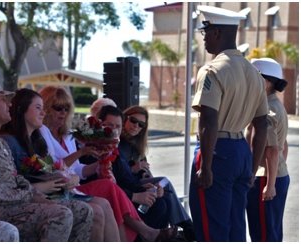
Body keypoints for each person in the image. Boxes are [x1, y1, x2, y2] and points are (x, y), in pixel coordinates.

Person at [39, 85, 182, 242]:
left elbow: (79, 169)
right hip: (62, 190)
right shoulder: (43, 133)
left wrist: (100, 162)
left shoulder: (67, 135)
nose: (63, 113)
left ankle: (160, 230)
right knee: (111, 191)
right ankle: (148, 232)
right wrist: (82, 153)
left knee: (155, 197)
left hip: (78, 186)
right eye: (58, 108)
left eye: (67, 108)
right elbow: (51, 168)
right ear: (45, 108)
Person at [0, 77, 79, 242]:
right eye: (3, 100)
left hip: (11, 205)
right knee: (60, 214)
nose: (9, 105)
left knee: (81, 210)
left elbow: (14, 177)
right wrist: (26, 195)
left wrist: (36, 195)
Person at [189, 5, 268, 242]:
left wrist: (206, 166)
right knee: (235, 228)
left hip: (217, 151)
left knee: (212, 227)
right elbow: (262, 124)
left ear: (215, 33)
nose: (203, 38)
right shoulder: (254, 73)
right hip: (241, 152)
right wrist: (252, 169)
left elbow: (208, 121)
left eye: (204, 32)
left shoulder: (213, 69)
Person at [0, 88, 100, 242]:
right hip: (27, 200)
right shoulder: (9, 142)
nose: (43, 113)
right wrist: (44, 187)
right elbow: (8, 184)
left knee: (93, 208)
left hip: (50, 193)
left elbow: (54, 169)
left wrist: (69, 177)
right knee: (84, 211)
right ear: (21, 110)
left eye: (67, 108)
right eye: (38, 108)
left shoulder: (36, 140)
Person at [119, 105, 195, 241]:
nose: (136, 126)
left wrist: (143, 174)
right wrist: (133, 169)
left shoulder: (136, 143)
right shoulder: (117, 141)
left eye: (141, 124)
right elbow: (118, 174)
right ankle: (186, 226)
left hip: (136, 182)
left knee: (165, 198)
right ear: (125, 119)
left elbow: (141, 169)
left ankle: (173, 231)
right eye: (133, 120)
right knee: (164, 188)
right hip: (126, 187)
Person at [245, 58, 290, 241]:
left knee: (263, 234)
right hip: (273, 176)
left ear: (265, 82)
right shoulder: (274, 105)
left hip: (265, 179)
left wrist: (270, 185)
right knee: (270, 232)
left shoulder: (268, 109)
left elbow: (272, 150)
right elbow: (283, 146)